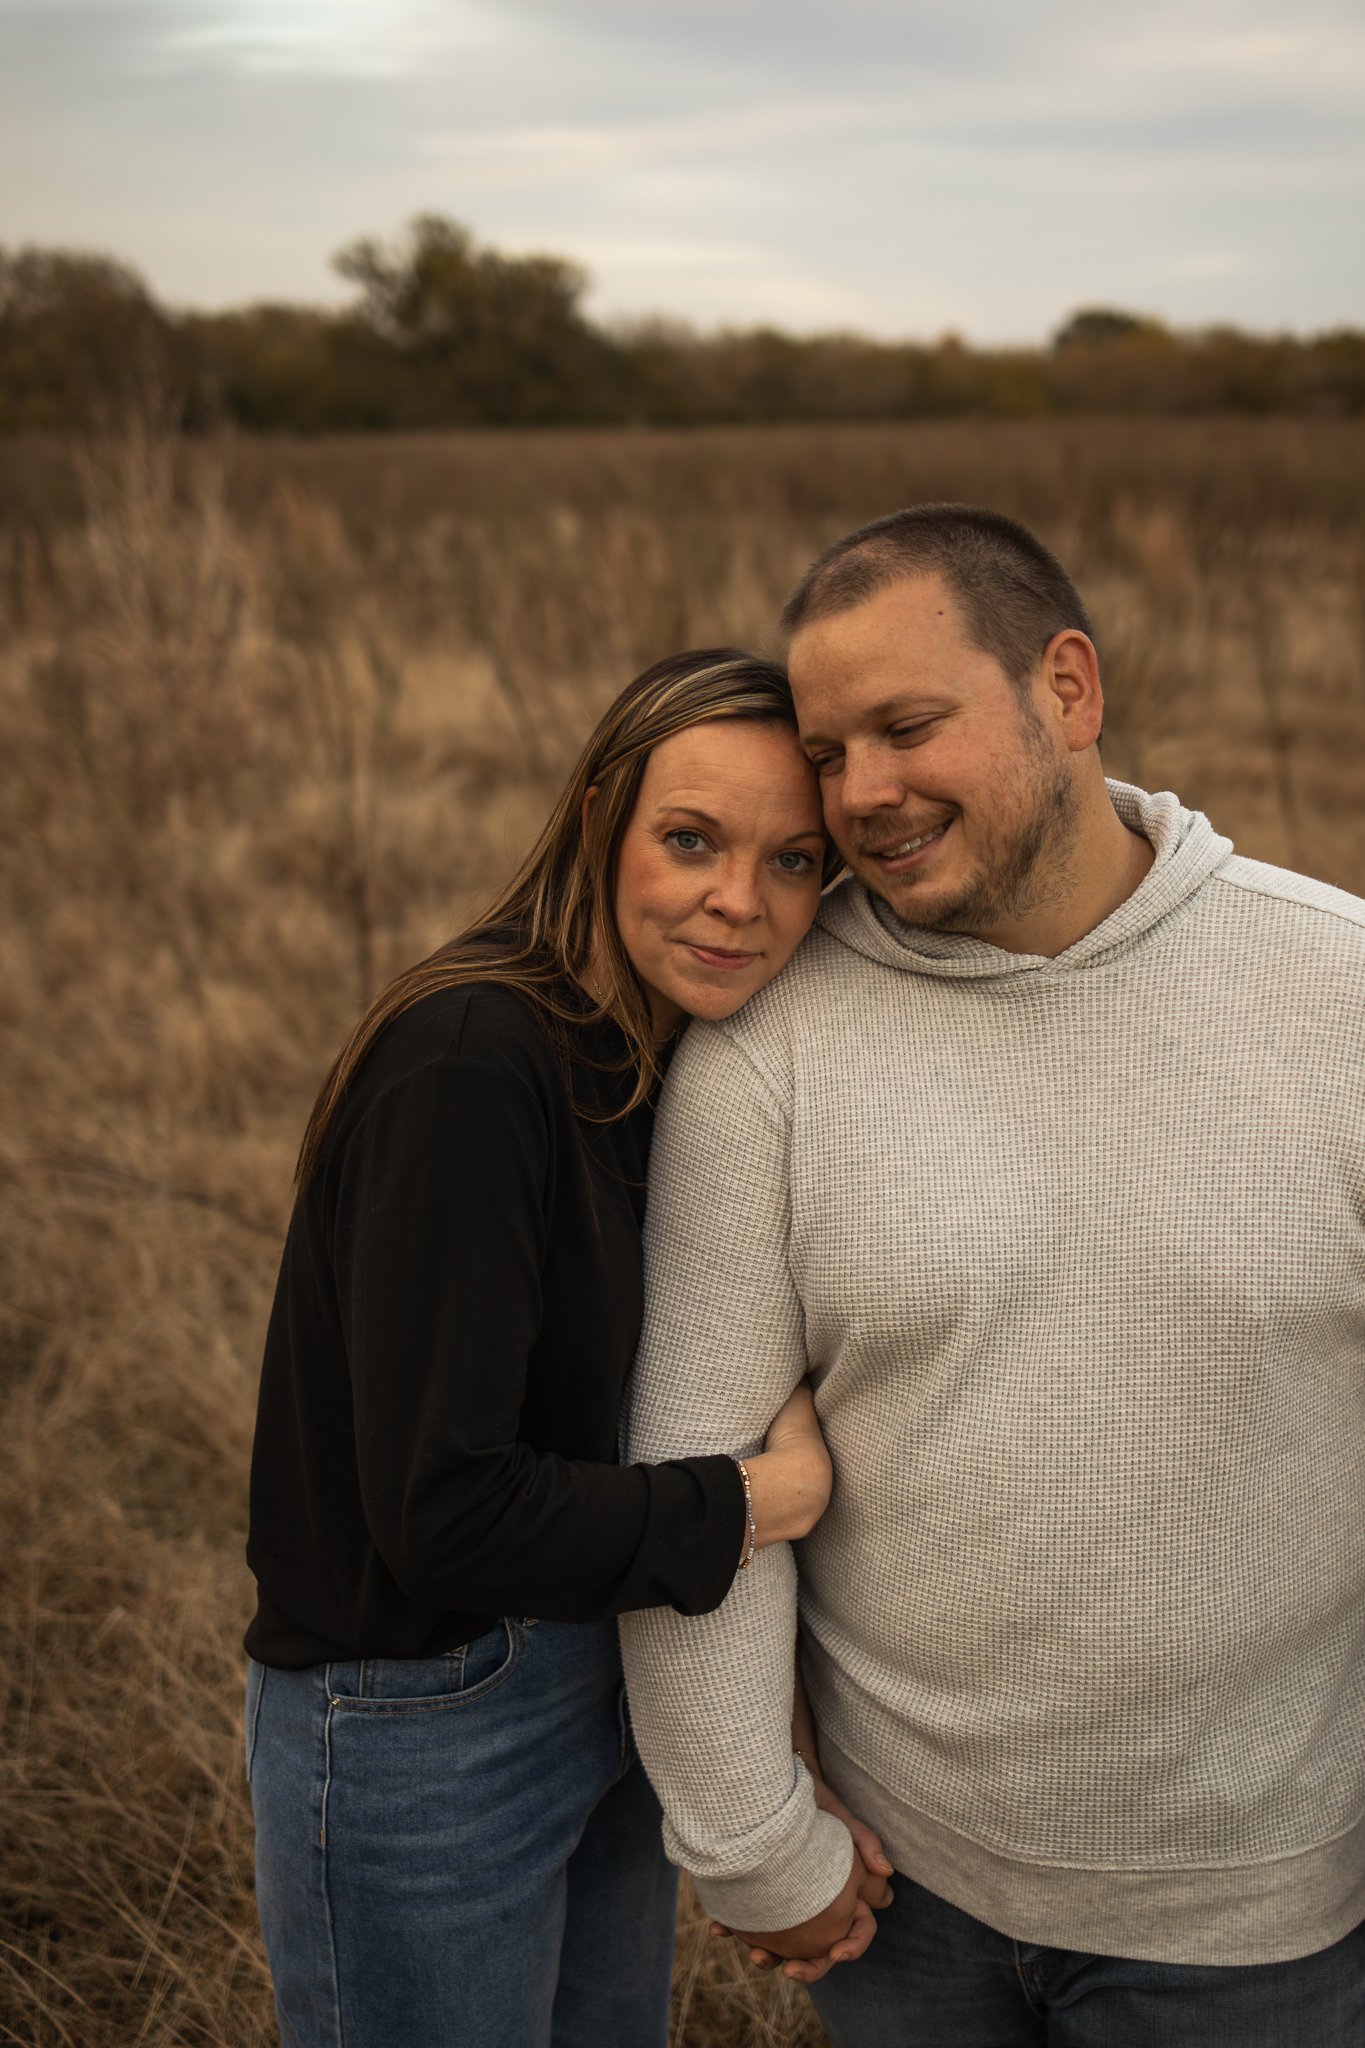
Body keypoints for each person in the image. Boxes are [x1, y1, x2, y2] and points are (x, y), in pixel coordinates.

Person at [619, 508, 1365, 2046]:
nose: (860, 794)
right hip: (903, 1907)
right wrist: (752, 1844)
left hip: (1262, 1921)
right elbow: (694, 1466)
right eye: (828, 753)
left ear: (1066, 690)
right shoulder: (770, 1042)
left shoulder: (1335, 996)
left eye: (906, 728)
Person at [242, 648, 841, 2048]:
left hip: (596, 1659)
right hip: (423, 1716)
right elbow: (444, 1512)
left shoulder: (671, 1053)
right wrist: (759, 1500)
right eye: (689, 840)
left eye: (793, 861)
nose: (738, 900)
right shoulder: (472, 1060)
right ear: (597, 820)